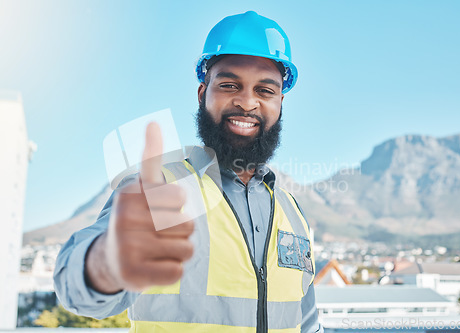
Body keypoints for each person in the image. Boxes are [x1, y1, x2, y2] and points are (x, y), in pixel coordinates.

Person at [54, 11, 323, 332]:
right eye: (229, 84)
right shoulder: (158, 190)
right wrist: (106, 262)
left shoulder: (292, 212)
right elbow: (75, 288)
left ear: (280, 103)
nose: (247, 102)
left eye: (265, 90)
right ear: (202, 94)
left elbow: (307, 322)